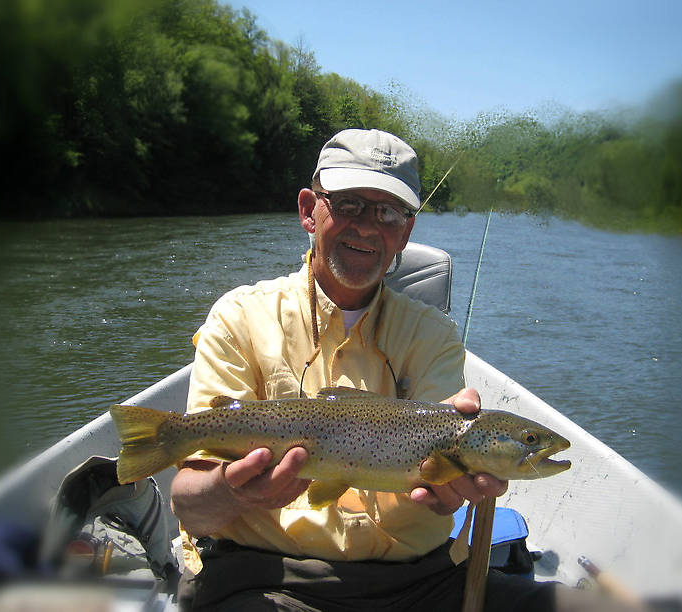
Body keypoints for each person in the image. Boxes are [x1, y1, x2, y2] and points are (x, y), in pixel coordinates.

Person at [170, 129, 644, 611]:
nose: (367, 227)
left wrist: (449, 495)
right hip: (272, 579)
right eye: (350, 203)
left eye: (388, 212)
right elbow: (189, 504)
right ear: (309, 210)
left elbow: (440, 484)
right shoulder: (240, 318)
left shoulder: (433, 337)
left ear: (406, 232)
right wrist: (234, 490)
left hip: (424, 583)